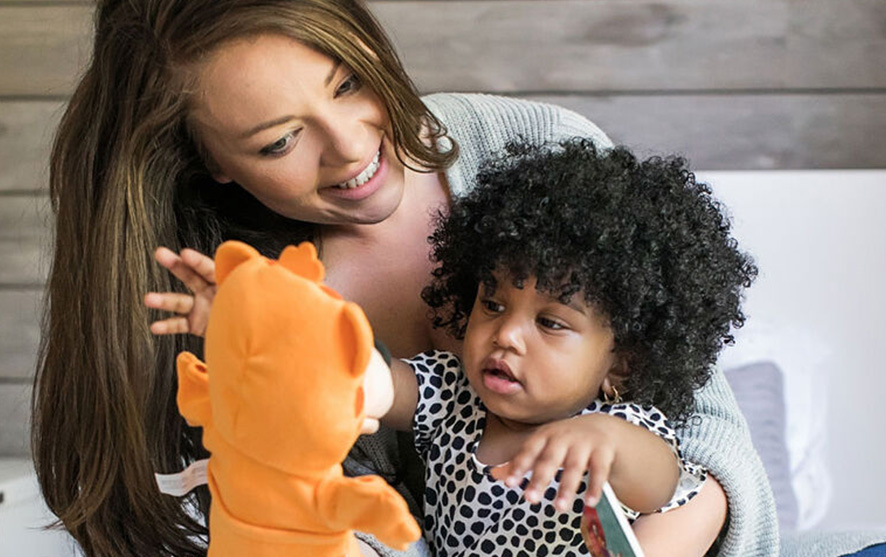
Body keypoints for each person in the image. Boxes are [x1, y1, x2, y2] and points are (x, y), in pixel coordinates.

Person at [33, 1, 771, 556]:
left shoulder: (541, 151)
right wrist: (265, 339)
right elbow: (350, 422)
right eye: (282, 139)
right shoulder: (229, 303)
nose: (352, 146)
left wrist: (676, 528)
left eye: (349, 82)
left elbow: (708, 443)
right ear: (210, 162)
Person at [371, 139, 755, 556]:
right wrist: (352, 373)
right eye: (493, 304)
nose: (506, 335)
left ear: (621, 366)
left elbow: (661, 486)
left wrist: (609, 441)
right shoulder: (454, 394)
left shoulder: (618, 425)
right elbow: (384, 385)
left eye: (550, 323)